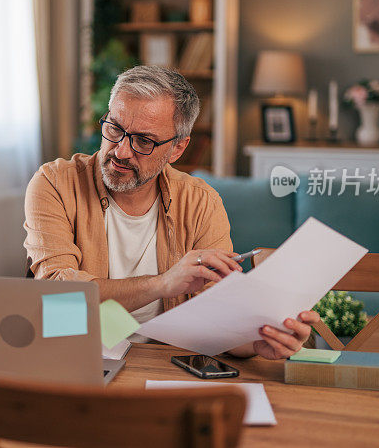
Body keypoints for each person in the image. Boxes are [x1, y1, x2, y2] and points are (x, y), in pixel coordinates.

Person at [23, 65, 319, 359]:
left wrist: (255, 342)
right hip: (77, 358)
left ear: (177, 148)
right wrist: (162, 283)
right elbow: (56, 293)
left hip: (167, 365)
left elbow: (218, 318)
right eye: (114, 128)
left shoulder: (201, 202)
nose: (121, 151)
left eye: (144, 141)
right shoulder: (55, 183)